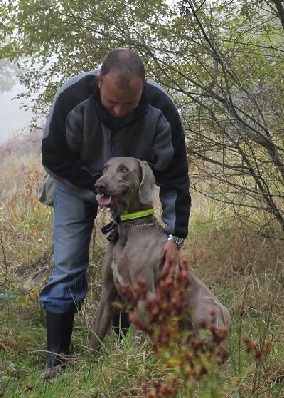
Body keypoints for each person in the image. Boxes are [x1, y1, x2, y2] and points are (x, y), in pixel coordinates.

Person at [39, 48, 191, 370]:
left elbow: (174, 175)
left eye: (130, 103)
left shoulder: (160, 108)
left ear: (144, 86)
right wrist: (98, 185)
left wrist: (175, 236)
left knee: (133, 265)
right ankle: (56, 360)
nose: (120, 111)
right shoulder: (72, 98)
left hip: (129, 193)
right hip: (75, 184)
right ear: (98, 82)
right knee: (67, 265)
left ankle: (124, 351)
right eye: (111, 103)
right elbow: (54, 156)